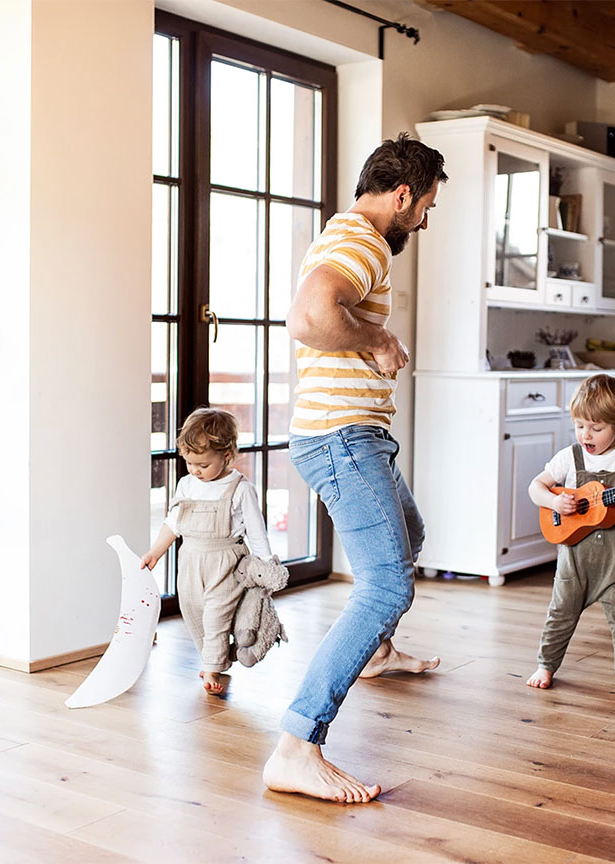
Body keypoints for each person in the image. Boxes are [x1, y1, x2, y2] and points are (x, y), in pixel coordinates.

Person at [261, 133, 447, 804]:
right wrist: (380, 338)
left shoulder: (346, 235)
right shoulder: (364, 241)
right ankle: (296, 746)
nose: (423, 221)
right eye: (424, 206)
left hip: (352, 434)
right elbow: (310, 315)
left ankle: (374, 653)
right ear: (402, 195)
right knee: (387, 585)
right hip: (341, 438)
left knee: (410, 532)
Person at [525, 374, 615, 701]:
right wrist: (554, 501)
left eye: (596, 428)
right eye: (580, 425)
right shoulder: (569, 457)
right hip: (575, 562)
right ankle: (546, 665)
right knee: (560, 614)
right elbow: (535, 487)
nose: (586, 434)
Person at [140, 407, 279, 695]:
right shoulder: (187, 485)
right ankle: (215, 656)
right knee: (193, 611)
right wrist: (155, 552)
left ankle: (212, 668)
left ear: (226, 455)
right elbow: (173, 523)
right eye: (190, 463)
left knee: (216, 615)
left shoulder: (240, 488)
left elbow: (256, 530)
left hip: (225, 561)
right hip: (190, 560)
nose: (195, 470)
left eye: (203, 464)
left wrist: (267, 565)